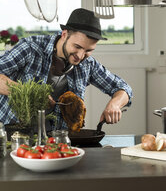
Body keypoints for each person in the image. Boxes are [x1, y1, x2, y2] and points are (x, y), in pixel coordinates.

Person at [0, 8, 132, 130]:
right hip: (14, 132)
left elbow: (123, 88)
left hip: (57, 137)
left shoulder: (88, 64)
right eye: (77, 47)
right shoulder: (30, 48)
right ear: (64, 34)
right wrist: (31, 94)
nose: (80, 56)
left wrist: (115, 104)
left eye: (88, 50)